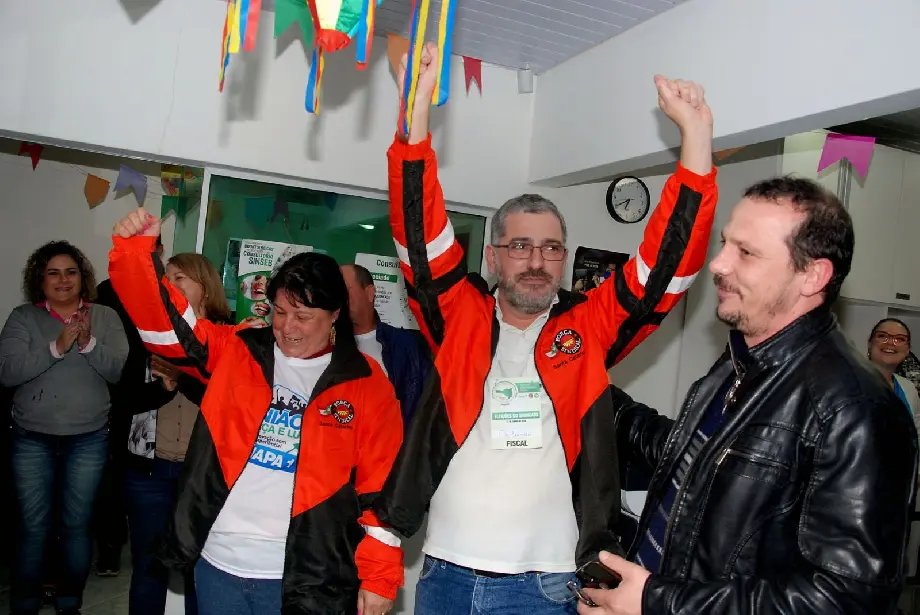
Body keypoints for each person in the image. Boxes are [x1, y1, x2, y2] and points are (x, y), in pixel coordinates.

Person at [378, 43, 718, 615]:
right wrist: (415, 116)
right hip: (446, 578)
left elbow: (664, 269)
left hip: (548, 586)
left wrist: (697, 143)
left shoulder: (588, 326)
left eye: (552, 248)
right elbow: (418, 234)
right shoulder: (459, 316)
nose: (537, 261)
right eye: (520, 246)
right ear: (492, 257)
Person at [584, 177, 919, 614]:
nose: (718, 264)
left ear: (812, 275)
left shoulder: (857, 410)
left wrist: (658, 600)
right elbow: (693, 461)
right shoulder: (740, 360)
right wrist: (593, 393)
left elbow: (847, 599)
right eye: (725, 243)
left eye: (746, 252)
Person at [108, 209, 404, 615]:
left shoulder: (366, 381)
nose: (288, 327)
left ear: (335, 314)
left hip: (305, 576)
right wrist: (134, 254)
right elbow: (167, 330)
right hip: (219, 565)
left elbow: (382, 486)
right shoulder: (240, 349)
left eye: (304, 316)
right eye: (280, 312)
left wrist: (379, 577)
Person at [0, 240, 129, 615]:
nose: (63, 280)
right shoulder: (23, 317)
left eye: (71, 272)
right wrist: (56, 347)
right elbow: (7, 373)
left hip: (88, 440)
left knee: (76, 526)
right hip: (31, 440)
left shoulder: (105, 317)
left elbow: (117, 370)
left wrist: (87, 343)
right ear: (40, 279)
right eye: (53, 273)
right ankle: (24, 605)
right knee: (33, 528)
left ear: (82, 277)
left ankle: (69, 604)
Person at [120, 253, 231, 615]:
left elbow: (229, 407)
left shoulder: (230, 339)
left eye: (179, 277)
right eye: (165, 278)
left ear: (205, 287)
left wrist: (183, 377)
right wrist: (164, 387)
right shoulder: (148, 334)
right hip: (149, 472)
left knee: (200, 571)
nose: (169, 285)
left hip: (203, 478)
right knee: (148, 568)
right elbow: (125, 401)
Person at [92, 235, 165, 578]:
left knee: (140, 472)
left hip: (156, 388)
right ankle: (110, 545)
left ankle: (141, 546)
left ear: (158, 251)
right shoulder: (105, 291)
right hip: (113, 390)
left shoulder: (168, 289)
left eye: (148, 249)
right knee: (110, 475)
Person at [340, 264, 432, 428]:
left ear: (370, 293)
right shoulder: (325, 344)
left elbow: (427, 408)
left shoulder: (406, 346)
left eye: (344, 290)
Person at [868, 318, 920, 419]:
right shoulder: (848, 383)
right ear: (870, 344)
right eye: (882, 336)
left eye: (900, 339)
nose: (891, 342)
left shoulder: (909, 388)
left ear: (907, 350)